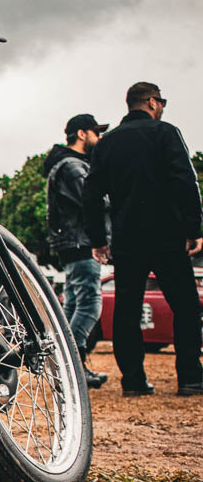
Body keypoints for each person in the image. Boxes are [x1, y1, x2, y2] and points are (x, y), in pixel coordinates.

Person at [84, 82, 203, 397]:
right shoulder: (166, 133)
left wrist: (98, 239)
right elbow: (185, 181)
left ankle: (133, 380)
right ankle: (190, 377)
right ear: (151, 102)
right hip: (168, 234)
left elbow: (92, 194)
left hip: (127, 237)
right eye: (161, 101)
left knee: (127, 309)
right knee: (186, 306)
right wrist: (194, 229)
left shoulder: (107, 143)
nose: (161, 107)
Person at [44, 113, 110, 389]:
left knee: (72, 303)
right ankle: (74, 364)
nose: (100, 137)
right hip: (81, 242)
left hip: (71, 243)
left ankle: (69, 366)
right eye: (97, 132)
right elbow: (93, 200)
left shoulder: (63, 164)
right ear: (82, 134)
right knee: (90, 303)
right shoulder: (73, 166)